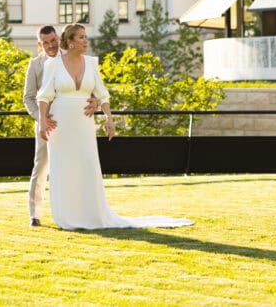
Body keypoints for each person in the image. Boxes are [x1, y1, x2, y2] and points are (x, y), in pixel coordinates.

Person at [37, 23, 193, 230]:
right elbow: (44, 96)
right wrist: (42, 121)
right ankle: (67, 216)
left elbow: (102, 93)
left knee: (88, 165)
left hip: (84, 122)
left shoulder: (91, 63)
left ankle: (92, 215)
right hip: (60, 124)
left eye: (85, 36)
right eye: (81, 37)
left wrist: (109, 118)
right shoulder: (53, 64)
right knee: (64, 169)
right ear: (71, 42)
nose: (86, 40)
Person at [22, 25, 97, 227]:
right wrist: (42, 119)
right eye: (45, 42)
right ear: (40, 44)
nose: (50, 45)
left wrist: (94, 100)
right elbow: (28, 98)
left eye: (53, 40)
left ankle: (77, 211)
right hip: (47, 126)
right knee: (41, 167)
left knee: (74, 167)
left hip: (74, 123)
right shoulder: (35, 65)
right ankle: (35, 214)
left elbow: (85, 86)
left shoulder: (72, 58)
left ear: (59, 38)